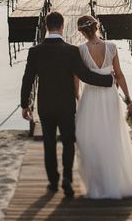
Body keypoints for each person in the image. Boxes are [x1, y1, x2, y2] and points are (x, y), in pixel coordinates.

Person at [20, 11, 114, 198]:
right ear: (62, 27)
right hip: (66, 106)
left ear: (46, 27)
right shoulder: (71, 51)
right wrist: (108, 81)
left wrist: (25, 104)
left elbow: (27, 80)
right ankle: (67, 181)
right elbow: (86, 76)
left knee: (49, 143)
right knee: (68, 143)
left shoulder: (35, 51)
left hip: (45, 106)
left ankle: (53, 182)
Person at [74, 14, 132, 199]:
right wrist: (129, 100)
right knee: (112, 137)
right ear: (97, 27)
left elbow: (76, 80)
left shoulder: (80, 50)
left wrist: (77, 98)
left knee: (90, 138)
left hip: (90, 98)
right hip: (110, 97)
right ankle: (114, 182)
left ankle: (96, 185)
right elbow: (120, 75)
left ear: (82, 31)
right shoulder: (112, 47)